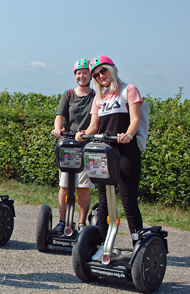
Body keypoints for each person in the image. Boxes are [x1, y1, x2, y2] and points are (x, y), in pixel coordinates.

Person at [75, 56, 144, 257]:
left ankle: (138, 245)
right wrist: (83, 133)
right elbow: (94, 126)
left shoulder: (128, 90)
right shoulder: (99, 98)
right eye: (96, 75)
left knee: (128, 200)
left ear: (112, 70)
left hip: (125, 151)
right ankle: (102, 246)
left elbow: (135, 119)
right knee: (104, 201)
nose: (100, 76)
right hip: (103, 153)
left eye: (103, 71)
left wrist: (128, 135)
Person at [50, 59, 96, 233]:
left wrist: (87, 133)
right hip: (69, 145)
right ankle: (62, 221)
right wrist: (57, 128)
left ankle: (82, 223)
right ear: (75, 75)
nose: (81, 76)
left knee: (83, 187)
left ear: (90, 75)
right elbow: (60, 115)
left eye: (85, 72)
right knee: (64, 185)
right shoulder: (68, 94)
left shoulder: (96, 96)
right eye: (78, 73)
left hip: (87, 145)